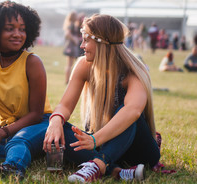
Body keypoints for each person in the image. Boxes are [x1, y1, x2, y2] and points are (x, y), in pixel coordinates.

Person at [43, 14, 160, 182]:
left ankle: (98, 164)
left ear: (102, 43)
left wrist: (94, 139)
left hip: (138, 152)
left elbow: (133, 111)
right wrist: (56, 120)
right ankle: (117, 172)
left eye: (86, 40)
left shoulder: (133, 72)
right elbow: (65, 106)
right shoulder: (84, 65)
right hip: (100, 143)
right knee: (54, 124)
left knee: (125, 113)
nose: (82, 45)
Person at [0, 0, 53, 179]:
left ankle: (12, 168)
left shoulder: (32, 62)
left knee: (20, 141)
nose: (17, 34)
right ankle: (21, 150)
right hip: (8, 129)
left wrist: (0, 134)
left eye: (22, 29)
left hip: (39, 124)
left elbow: (36, 114)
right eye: (9, 28)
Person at [63, 11, 82, 84]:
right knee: (69, 64)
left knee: (70, 64)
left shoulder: (72, 24)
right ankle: (67, 80)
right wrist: (74, 39)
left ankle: (68, 80)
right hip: (71, 46)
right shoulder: (71, 25)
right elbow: (67, 34)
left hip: (71, 46)